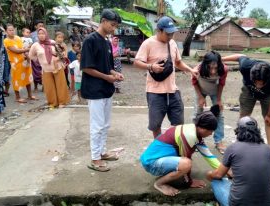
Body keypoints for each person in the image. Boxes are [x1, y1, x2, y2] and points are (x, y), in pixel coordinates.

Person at [134, 16, 198, 138]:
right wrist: (151, 66)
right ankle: (160, 148)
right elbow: (137, 62)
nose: (170, 36)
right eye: (168, 34)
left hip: (173, 90)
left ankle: (173, 146)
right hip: (155, 92)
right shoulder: (148, 43)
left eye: (172, 33)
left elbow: (178, 62)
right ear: (159, 30)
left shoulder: (173, 43)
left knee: (178, 123)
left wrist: (190, 70)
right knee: (155, 125)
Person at [140, 106, 225, 196]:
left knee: (186, 163)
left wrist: (223, 170)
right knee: (186, 164)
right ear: (203, 129)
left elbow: (208, 155)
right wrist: (189, 182)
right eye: (210, 131)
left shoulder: (194, 130)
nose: (211, 134)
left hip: (155, 159)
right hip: (152, 163)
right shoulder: (189, 136)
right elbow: (185, 159)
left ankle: (171, 176)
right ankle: (159, 184)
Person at [206, 116, 270, 206]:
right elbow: (258, 173)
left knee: (216, 182)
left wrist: (209, 175)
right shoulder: (269, 150)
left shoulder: (233, 148)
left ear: (238, 131)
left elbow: (218, 175)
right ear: (257, 131)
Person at [80, 9, 124, 172]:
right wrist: (107, 77)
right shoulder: (90, 40)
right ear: (104, 21)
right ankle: (95, 158)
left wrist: (115, 74)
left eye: (115, 26)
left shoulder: (106, 42)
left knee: (105, 124)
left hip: (106, 89)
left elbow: (109, 67)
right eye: (112, 25)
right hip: (94, 90)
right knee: (97, 125)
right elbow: (86, 68)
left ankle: (102, 152)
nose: (114, 29)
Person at [222, 54, 270, 164]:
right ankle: (240, 146)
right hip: (248, 91)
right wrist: (221, 59)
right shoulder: (246, 66)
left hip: (268, 95)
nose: (259, 86)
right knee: (243, 118)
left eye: (262, 83)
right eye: (257, 82)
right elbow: (240, 56)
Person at [192, 51, 228, 154]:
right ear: (205, 64)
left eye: (215, 68)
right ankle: (196, 140)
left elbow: (221, 84)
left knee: (219, 114)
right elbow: (194, 82)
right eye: (210, 68)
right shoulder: (198, 69)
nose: (213, 71)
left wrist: (219, 99)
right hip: (201, 90)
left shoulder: (224, 69)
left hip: (215, 92)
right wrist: (200, 97)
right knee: (197, 113)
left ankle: (219, 141)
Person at [29, 27, 69, 108]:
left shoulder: (52, 42)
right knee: (49, 87)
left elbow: (62, 52)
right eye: (39, 34)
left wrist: (58, 58)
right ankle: (53, 103)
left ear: (46, 34)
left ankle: (62, 102)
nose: (41, 35)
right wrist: (40, 62)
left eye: (43, 33)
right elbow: (31, 56)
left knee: (60, 85)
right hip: (46, 69)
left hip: (57, 66)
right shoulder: (35, 45)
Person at [3, 23, 36, 103]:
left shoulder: (18, 38)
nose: (12, 31)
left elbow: (22, 48)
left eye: (12, 30)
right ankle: (17, 97)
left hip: (24, 61)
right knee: (16, 79)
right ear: (6, 31)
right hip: (15, 63)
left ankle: (30, 95)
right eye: (9, 30)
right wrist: (28, 49)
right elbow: (16, 51)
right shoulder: (6, 41)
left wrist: (28, 57)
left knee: (28, 78)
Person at [30, 20, 44, 92]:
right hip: (35, 56)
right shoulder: (32, 35)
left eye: (42, 26)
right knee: (35, 72)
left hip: (43, 56)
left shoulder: (45, 33)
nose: (41, 27)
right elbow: (30, 44)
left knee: (44, 71)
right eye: (39, 26)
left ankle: (44, 86)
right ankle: (35, 87)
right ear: (36, 26)